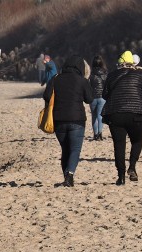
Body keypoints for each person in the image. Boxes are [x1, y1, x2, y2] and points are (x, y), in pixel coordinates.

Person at [102, 50, 142, 185]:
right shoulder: (141, 75)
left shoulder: (112, 75)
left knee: (119, 145)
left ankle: (121, 176)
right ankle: (132, 167)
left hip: (116, 113)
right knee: (137, 141)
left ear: (120, 63)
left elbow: (105, 95)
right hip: (136, 112)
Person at [43, 55, 93, 187]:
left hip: (58, 119)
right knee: (75, 149)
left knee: (65, 149)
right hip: (77, 119)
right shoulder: (82, 80)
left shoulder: (56, 79)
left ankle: (66, 177)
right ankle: (70, 175)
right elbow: (89, 99)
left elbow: (46, 96)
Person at [89, 55, 108, 141]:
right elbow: (107, 86)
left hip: (93, 97)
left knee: (94, 116)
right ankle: (100, 134)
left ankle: (95, 134)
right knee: (100, 115)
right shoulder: (105, 73)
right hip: (102, 97)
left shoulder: (91, 73)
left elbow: (89, 85)